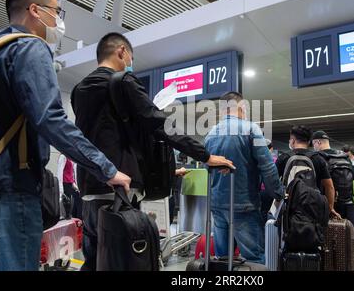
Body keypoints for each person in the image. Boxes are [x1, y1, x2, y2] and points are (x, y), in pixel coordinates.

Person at [0, 0, 131, 271]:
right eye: (56, 12)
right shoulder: (29, 47)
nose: (58, 20)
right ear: (35, 10)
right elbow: (50, 118)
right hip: (12, 189)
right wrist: (106, 168)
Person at [71, 32, 234, 271]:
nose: (130, 63)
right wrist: (205, 155)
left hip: (89, 189)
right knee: (125, 261)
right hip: (121, 189)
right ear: (122, 52)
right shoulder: (123, 82)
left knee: (95, 261)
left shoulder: (78, 90)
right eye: (130, 57)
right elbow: (159, 124)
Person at [205, 92, 284, 264]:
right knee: (254, 258)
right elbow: (267, 167)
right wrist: (279, 193)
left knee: (223, 259)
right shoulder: (251, 129)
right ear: (242, 108)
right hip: (244, 204)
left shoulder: (210, 134)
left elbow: (208, 167)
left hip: (217, 204)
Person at [278, 126, 341, 219]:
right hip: (313, 207)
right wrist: (330, 208)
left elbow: (273, 183)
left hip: (289, 208)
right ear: (309, 141)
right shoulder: (318, 158)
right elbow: (329, 186)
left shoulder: (283, 158)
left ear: (292, 140)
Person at [312, 131, 354, 219]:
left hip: (328, 203)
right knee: (343, 228)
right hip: (347, 202)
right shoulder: (344, 156)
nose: (314, 147)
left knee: (328, 230)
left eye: (314, 144)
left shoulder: (318, 157)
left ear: (318, 142)